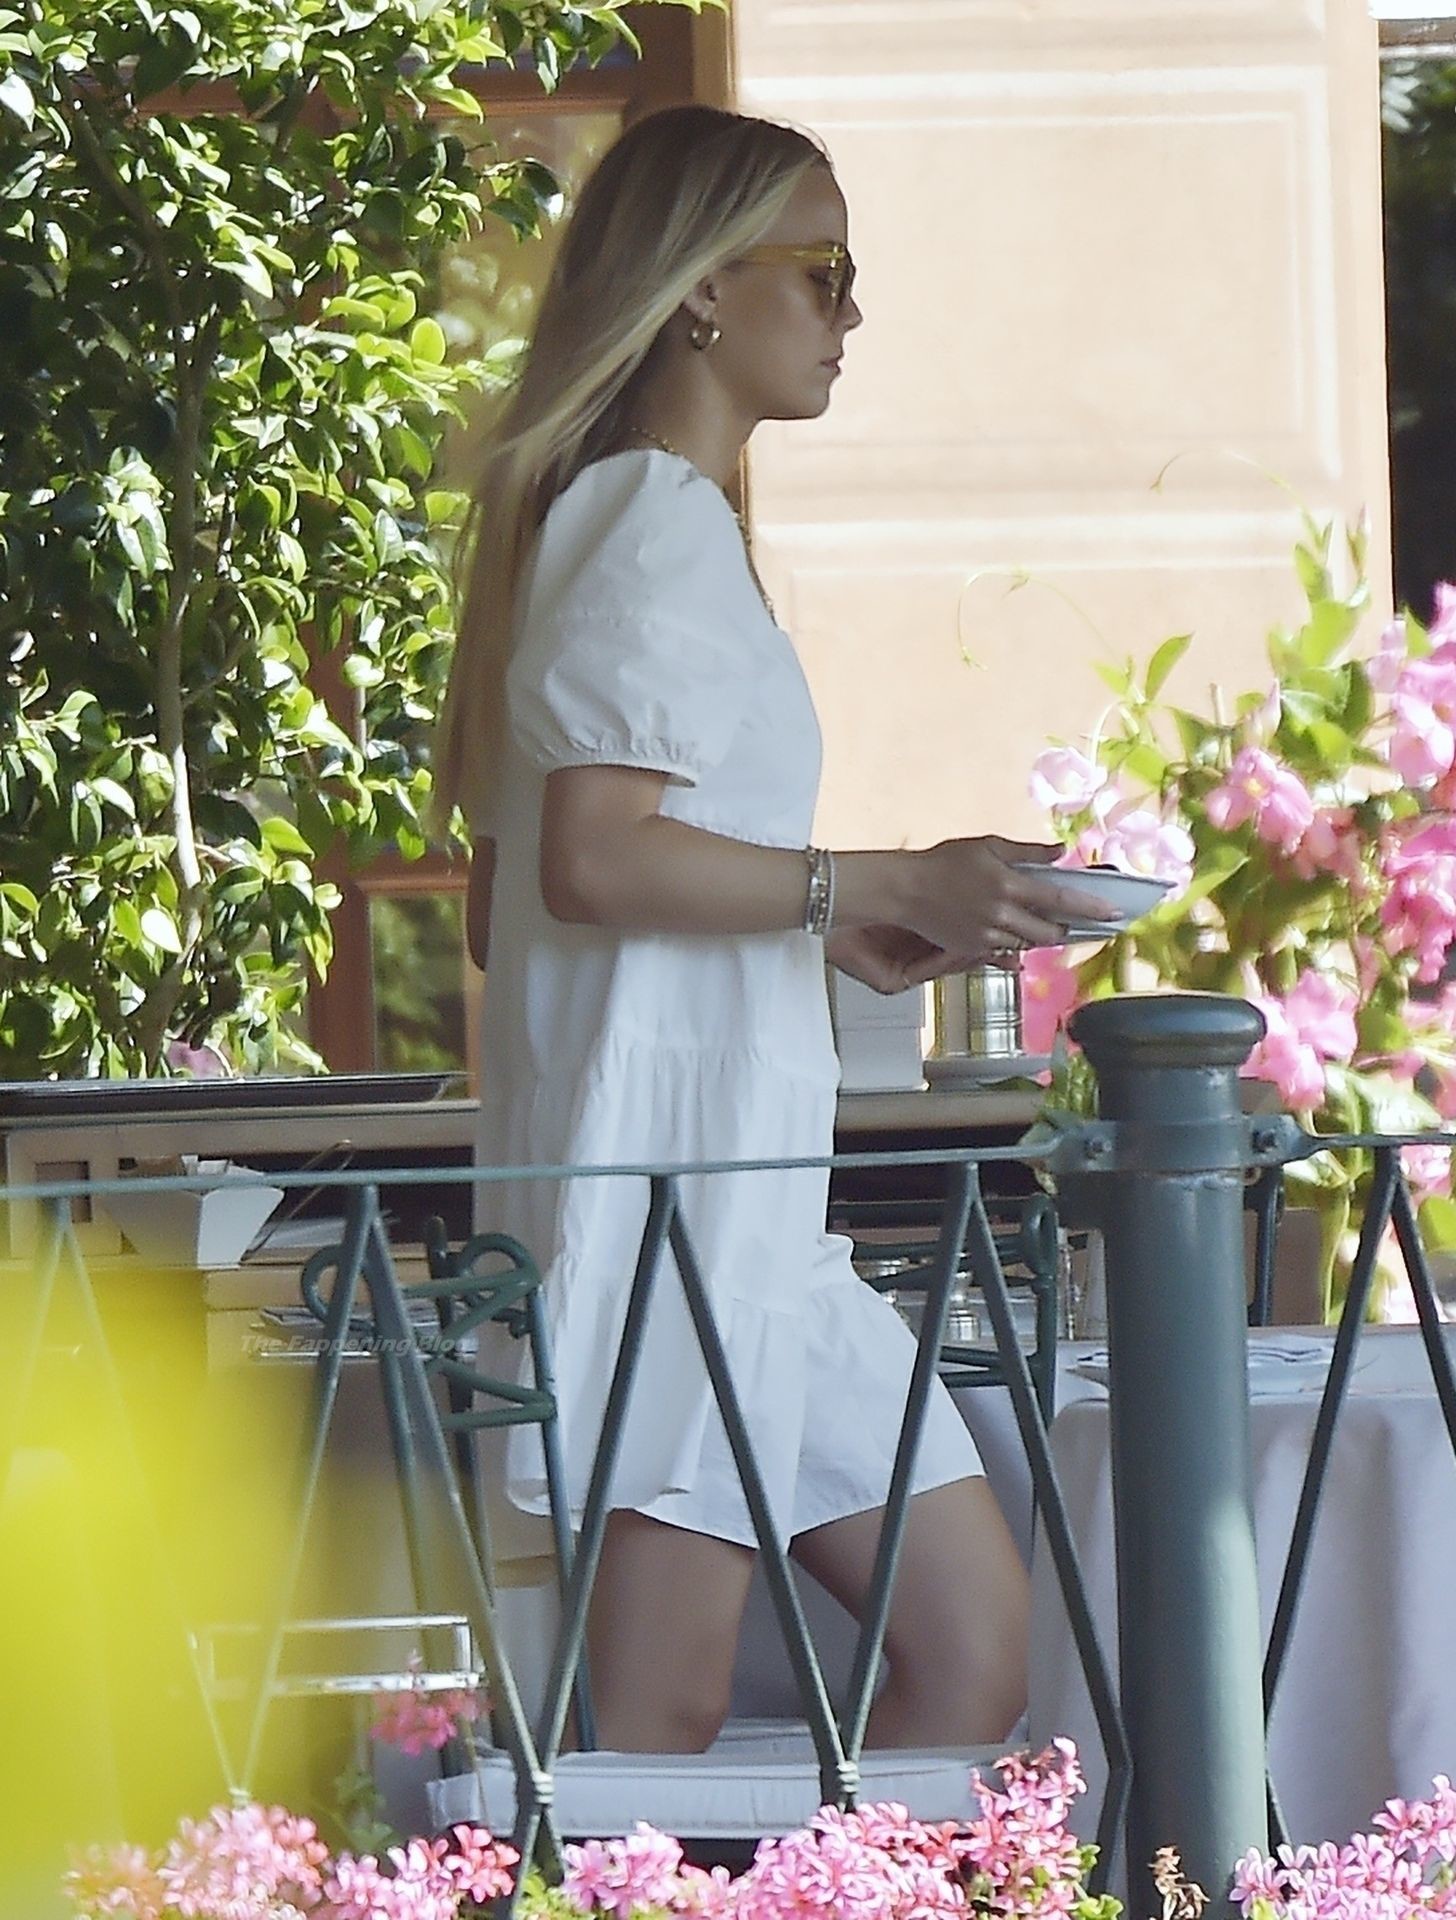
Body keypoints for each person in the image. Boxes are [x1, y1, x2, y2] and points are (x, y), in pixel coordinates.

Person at [434, 104, 1107, 1757]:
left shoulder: (641, 523)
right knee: (651, 1724)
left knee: (975, 1652)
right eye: (824, 272)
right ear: (699, 289)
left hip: (745, 1211)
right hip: (672, 1210)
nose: (851, 312)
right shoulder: (647, 519)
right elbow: (589, 866)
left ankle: (808, 1876)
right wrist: (876, 885)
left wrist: (821, 937)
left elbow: (526, 902)